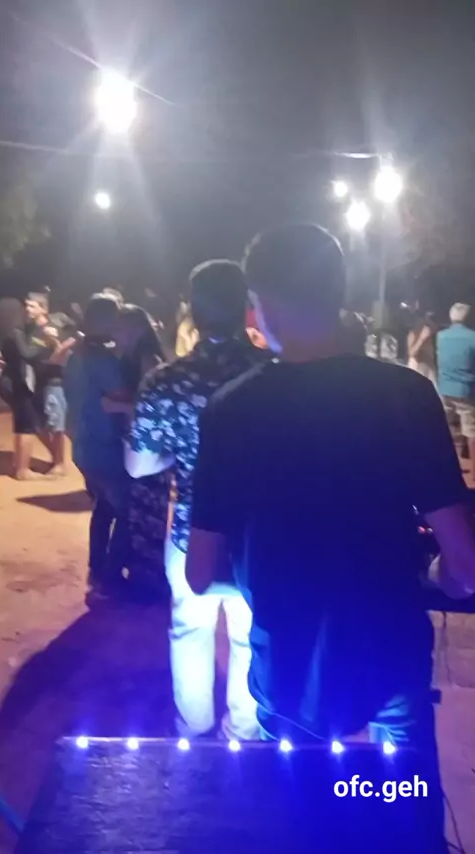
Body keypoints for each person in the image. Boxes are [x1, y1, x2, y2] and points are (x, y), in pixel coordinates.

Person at [186, 224, 475, 852]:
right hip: (389, 654)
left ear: (262, 303)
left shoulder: (230, 409)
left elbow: (200, 572)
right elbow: (465, 565)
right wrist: (432, 576)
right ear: (337, 293)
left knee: (304, 820)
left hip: (287, 664)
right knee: (403, 813)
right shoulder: (404, 395)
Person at [126, 259, 267, 740]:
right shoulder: (275, 375)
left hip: (191, 533)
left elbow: (137, 465)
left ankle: (193, 732)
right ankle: (244, 734)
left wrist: (180, 451)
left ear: (193, 310)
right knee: (251, 638)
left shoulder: (166, 380)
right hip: (259, 538)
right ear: (245, 306)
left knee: (190, 631)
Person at [64, 294, 130, 600]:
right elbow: (122, 393)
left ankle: (97, 572)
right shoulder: (101, 359)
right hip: (104, 445)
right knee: (126, 511)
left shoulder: (75, 355)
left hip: (82, 444)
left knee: (104, 508)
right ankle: (109, 578)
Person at [103, 305, 171, 599]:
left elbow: (153, 407)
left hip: (148, 447)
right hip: (137, 443)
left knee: (145, 515)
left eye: (122, 327)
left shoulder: (148, 359)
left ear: (139, 329)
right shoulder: (131, 357)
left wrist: (117, 406)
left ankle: (146, 582)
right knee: (138, 514)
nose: (116, 332)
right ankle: (142, 579)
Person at [0, 297, 58, 479]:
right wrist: (46, 343)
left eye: (31, 306)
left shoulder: (21, 331)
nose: (27, 309)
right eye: (26, 306)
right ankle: (23, 470)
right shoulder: (17, 331)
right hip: (16, 381)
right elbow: (27, 354)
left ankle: (21, 465)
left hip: (12, 380)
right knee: (26, 425)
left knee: (26, 421)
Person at [437, 303, 475, 481]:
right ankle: (474, 472)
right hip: (465, 389)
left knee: (452, 430)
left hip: (445, 387)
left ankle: (455, 467)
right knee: (471, 431)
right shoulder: (472, 337)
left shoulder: (441, 336)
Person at [407, 311, 438, 384]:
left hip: (429, 370)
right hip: (417, 369)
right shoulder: (413, 333)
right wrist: (421, 338)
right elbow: (411, 353)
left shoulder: (433, 336)